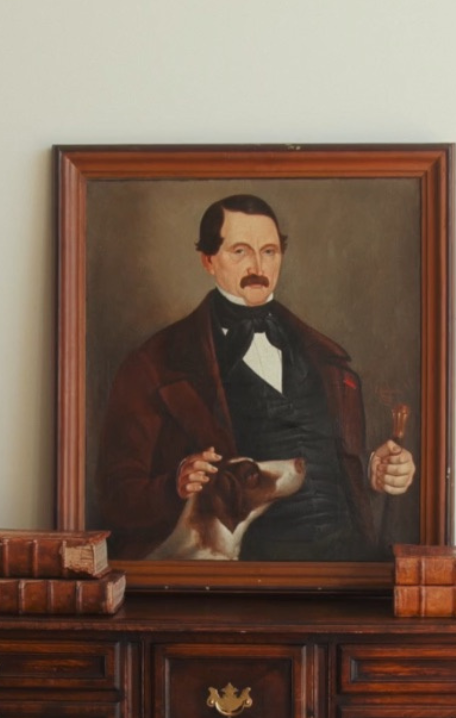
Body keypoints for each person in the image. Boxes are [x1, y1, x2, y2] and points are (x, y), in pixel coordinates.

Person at [96, 195, 415, 560]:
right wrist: (176, 484)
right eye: (240, 252)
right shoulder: (153, 365)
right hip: (247, 574)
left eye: (269, 251)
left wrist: (374, 471)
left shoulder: (326, 359)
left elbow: (336, 461)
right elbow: (115, 496)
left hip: (343, 566)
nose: (257, 266)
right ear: (208, 260)